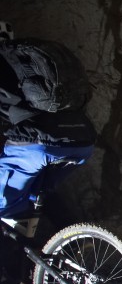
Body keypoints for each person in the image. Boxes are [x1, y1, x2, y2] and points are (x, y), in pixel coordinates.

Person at [0, 23, 96, 220]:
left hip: (37, 146)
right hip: (83, 140)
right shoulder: (28, 62)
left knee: (4, 204)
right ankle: (69, 243)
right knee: (38, 194)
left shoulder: (7, 65)